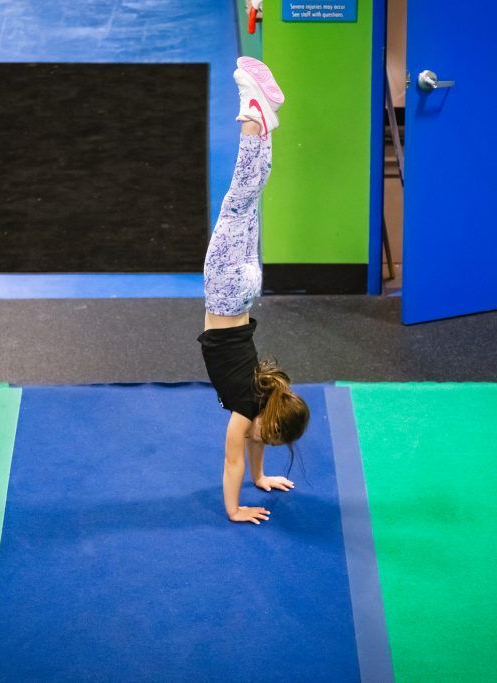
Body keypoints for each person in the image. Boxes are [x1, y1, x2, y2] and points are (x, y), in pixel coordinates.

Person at [197, 57, 310, 525]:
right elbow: (233, 459)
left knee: (248, 200)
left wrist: (262, 481)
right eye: (272, 436)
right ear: (269, 419)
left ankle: (265, 126)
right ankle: (253, 117)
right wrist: (235, 507)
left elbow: (257, 443)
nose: (263, 439)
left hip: (245, 292)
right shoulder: (248, 409)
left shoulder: (268, 392)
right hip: (225, 291)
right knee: (238, 197)